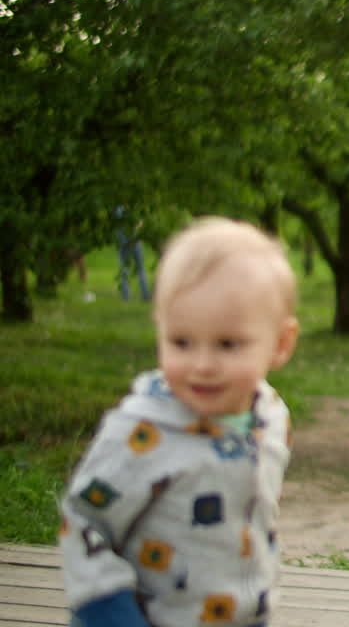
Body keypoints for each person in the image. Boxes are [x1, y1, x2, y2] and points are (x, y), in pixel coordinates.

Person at [59, 216, 301, 627]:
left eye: (228, 344)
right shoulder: (142, 432)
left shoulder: (270, 416)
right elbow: (85, 519)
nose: (202, 365)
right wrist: (109, 614)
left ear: (279, 344)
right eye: (181, 342)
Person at [114, 205, 151, 302]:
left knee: (124, 268)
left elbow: (118, 227)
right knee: (140, 269)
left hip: (124, 242)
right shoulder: (134, 210)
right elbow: (140, 224)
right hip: (135, 241)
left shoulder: (118, 210)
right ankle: (145, 295)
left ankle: (126, 297)